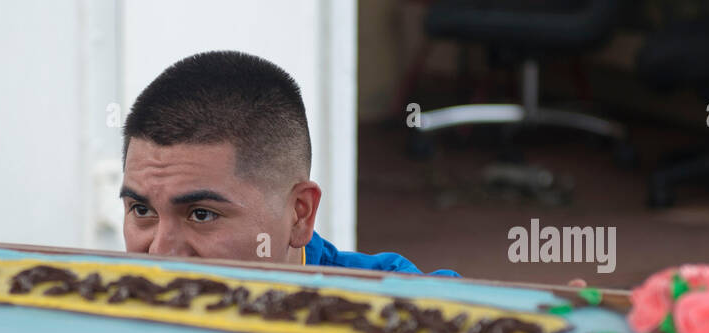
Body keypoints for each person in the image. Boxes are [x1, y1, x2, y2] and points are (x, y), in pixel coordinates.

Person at [120, 50, 458, 277]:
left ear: (299, 213)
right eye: (141, 210)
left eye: (201, 214)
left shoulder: (401, 311)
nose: (160, 252)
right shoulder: (98, 321)